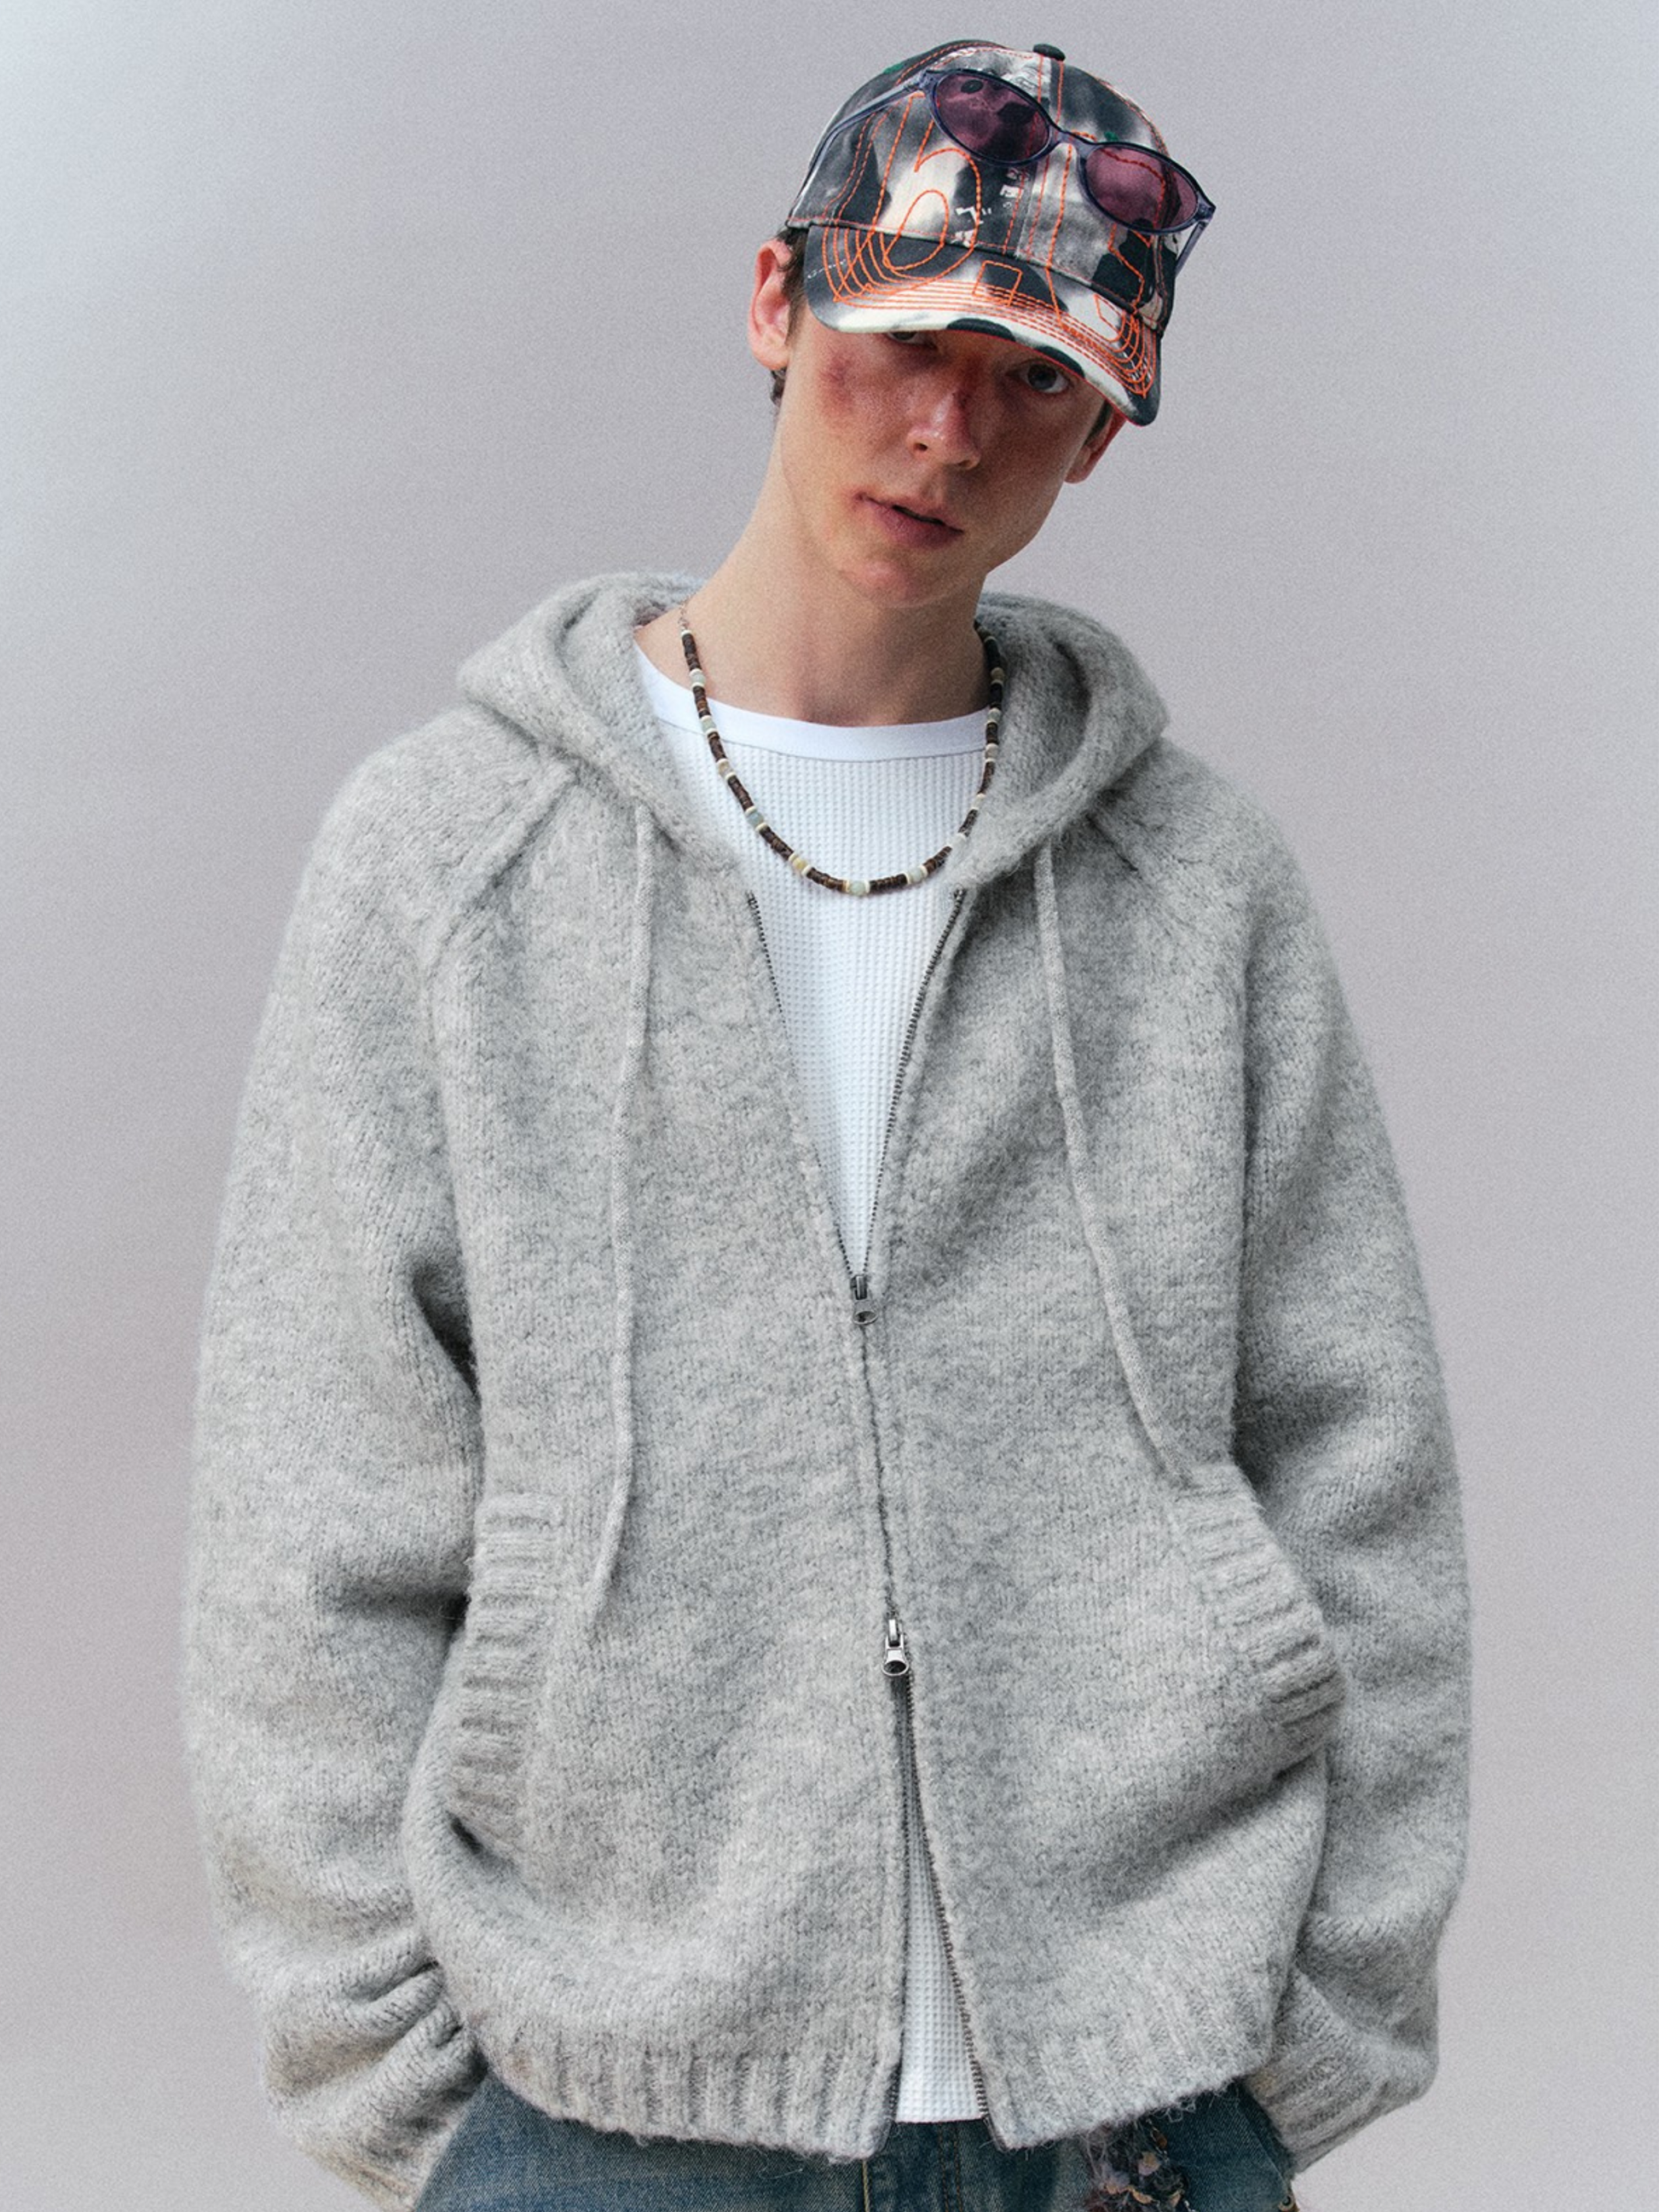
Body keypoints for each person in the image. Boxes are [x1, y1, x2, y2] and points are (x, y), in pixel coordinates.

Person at [185, 39, 1470, 2212]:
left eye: (1033, 380)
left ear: (1101, 428)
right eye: (906, 343)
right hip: (603, 2099)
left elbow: (1365, 1469)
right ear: (779, 298)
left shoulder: (1195, 890)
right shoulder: (449, 858)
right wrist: (401, 2074)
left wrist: (1322, 2020)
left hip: (1140, 2094)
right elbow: (310, 1507)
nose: (950, 432)